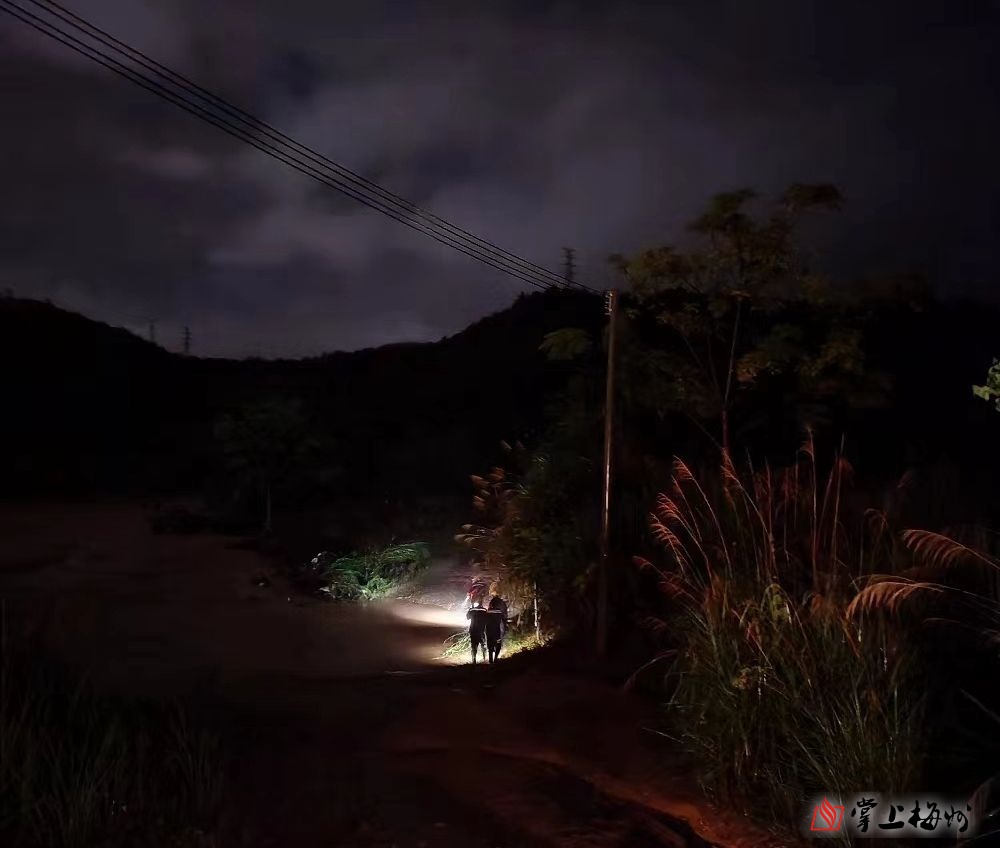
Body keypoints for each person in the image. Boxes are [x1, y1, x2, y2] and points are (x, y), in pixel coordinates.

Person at [486, 590, 508, 664]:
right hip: (498, 630)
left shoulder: (488, 612)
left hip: (489, 631)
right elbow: (505, 616)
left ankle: (490, 659)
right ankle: (495, 658)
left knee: (490, 644)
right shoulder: (500, 611)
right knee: (498, 642)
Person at [466, 600, 489, 665]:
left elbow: (467, 617)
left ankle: (474, 660)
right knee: (483, 644)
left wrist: (471, 609)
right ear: (482, 604)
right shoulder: (485, 611)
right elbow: (487, 620)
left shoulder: (472, 610)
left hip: (473, 630)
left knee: (474, 646)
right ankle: (484, 658)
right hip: (481, 631)